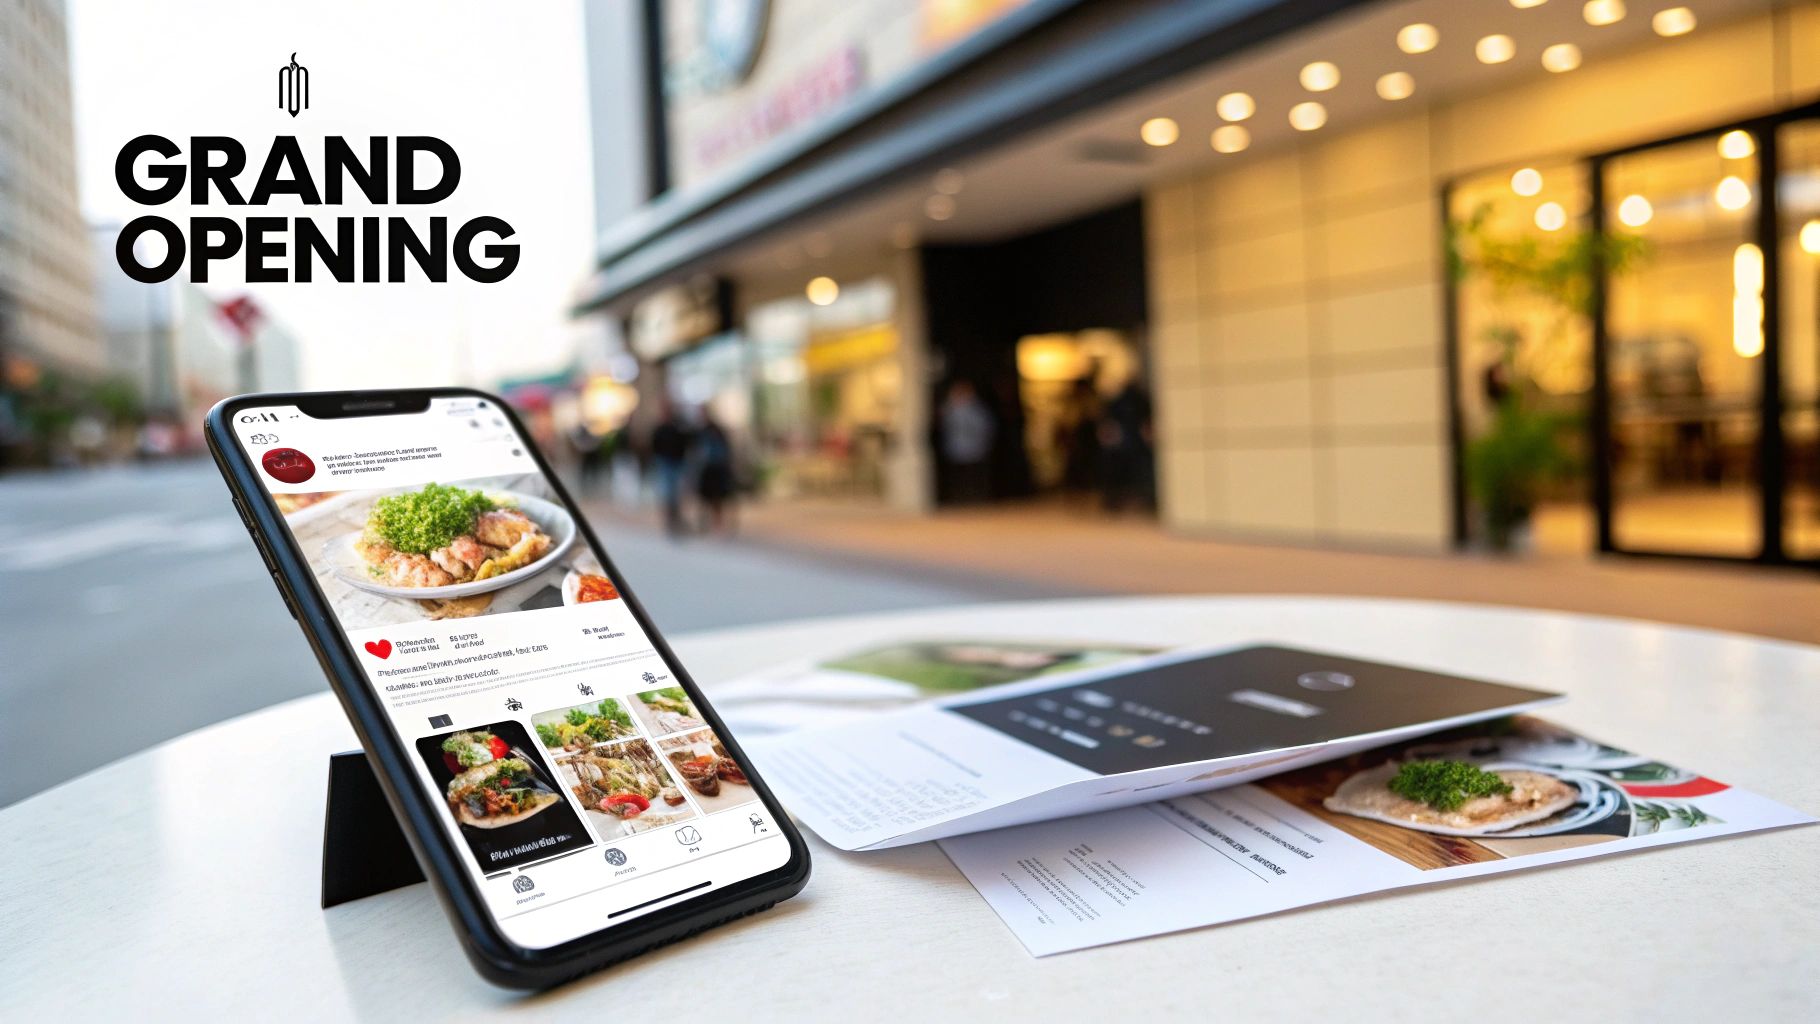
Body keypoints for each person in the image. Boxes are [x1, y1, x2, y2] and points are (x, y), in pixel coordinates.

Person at [1099, 379, 1154, 513]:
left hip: (1124, 444)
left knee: (1124, 474)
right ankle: (1145, 500)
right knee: (1137, 473)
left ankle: (1117, 502)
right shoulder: (1139, 400)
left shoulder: (1117, 401)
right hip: (1133, 444)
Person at [940, 379, 996, 504]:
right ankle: (961, 498)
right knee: (960, 478)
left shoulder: (976, 409)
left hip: (975, 450)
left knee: (974, 477)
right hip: (956, 451)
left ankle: (976, 499)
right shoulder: (950, 409)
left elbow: (985, 427)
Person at [649, 401, 693, 536]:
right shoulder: (660, 428)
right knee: (667, 493)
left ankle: (676, 519)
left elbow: (686, 441)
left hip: (677, 463)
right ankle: (668, 520)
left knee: (677, 493)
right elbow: (654, 446)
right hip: (664, 463)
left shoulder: (678, 426)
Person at [695, 409, 737, 534]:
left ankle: (718, 523)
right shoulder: (701, 431)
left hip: (716, 468)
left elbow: (725, 450)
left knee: (717, 497)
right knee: (707, 498)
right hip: (707, 469)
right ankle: (709, 523)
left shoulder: (716, 431)